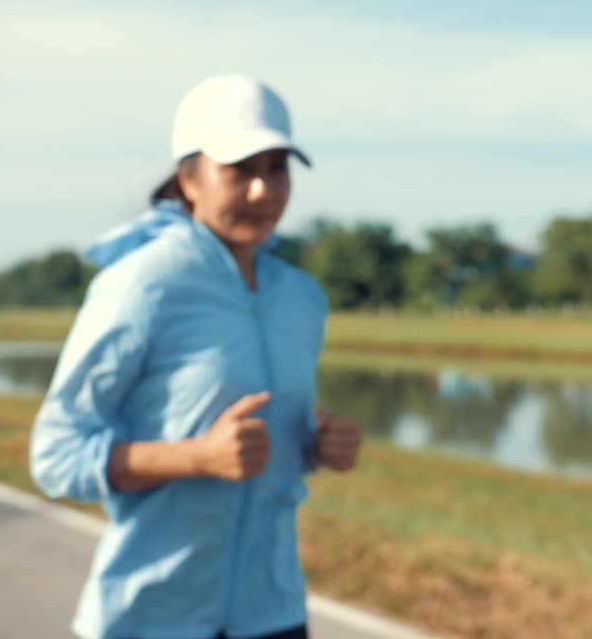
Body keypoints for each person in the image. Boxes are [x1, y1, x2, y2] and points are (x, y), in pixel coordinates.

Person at [30, 75, 363, 639]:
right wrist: (195, 458)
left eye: (277, 168)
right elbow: (57, 455)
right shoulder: (144, 282)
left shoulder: (302, 297)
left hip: (274, 613)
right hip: (154, 617)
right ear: (189, 179)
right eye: (241, 172)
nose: (263, 191)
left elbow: (267, 451)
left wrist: (318, 445)